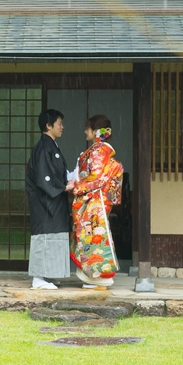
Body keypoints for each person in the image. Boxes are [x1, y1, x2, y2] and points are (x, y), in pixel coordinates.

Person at [69, 114, 124, 290]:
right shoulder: (100, 150)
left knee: (94, 238)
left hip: (95, 201)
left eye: (88, 128)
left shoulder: (99, 150)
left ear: (96, 131)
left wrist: (76, 185)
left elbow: (96, 177)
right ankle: (96, 277)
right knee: (93, 238)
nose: (85, 131)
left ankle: (101, 277)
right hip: (96, 199)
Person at [25, 109, 71, 290]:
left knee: (54, 235)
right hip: (44, 201)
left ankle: (47, 274)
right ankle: (38, 278)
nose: (62, 127)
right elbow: (44, 177)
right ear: (48, 125)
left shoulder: (51, 146)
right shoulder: (44, 147)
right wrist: (63, 187)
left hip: (53, 200)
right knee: (44, 235)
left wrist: (65, 183)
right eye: (59, 123)